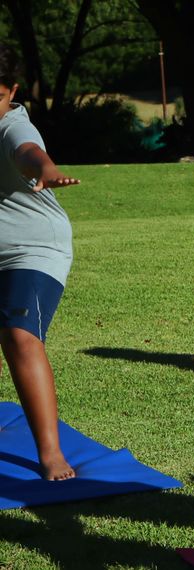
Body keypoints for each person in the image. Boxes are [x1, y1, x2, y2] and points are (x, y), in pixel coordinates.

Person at [0, 44, 81, 481]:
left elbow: (27, 150)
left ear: (11, 91)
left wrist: (45, 168)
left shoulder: (13, 124)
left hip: (32, 247)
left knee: (19, 335)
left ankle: (50, 454)